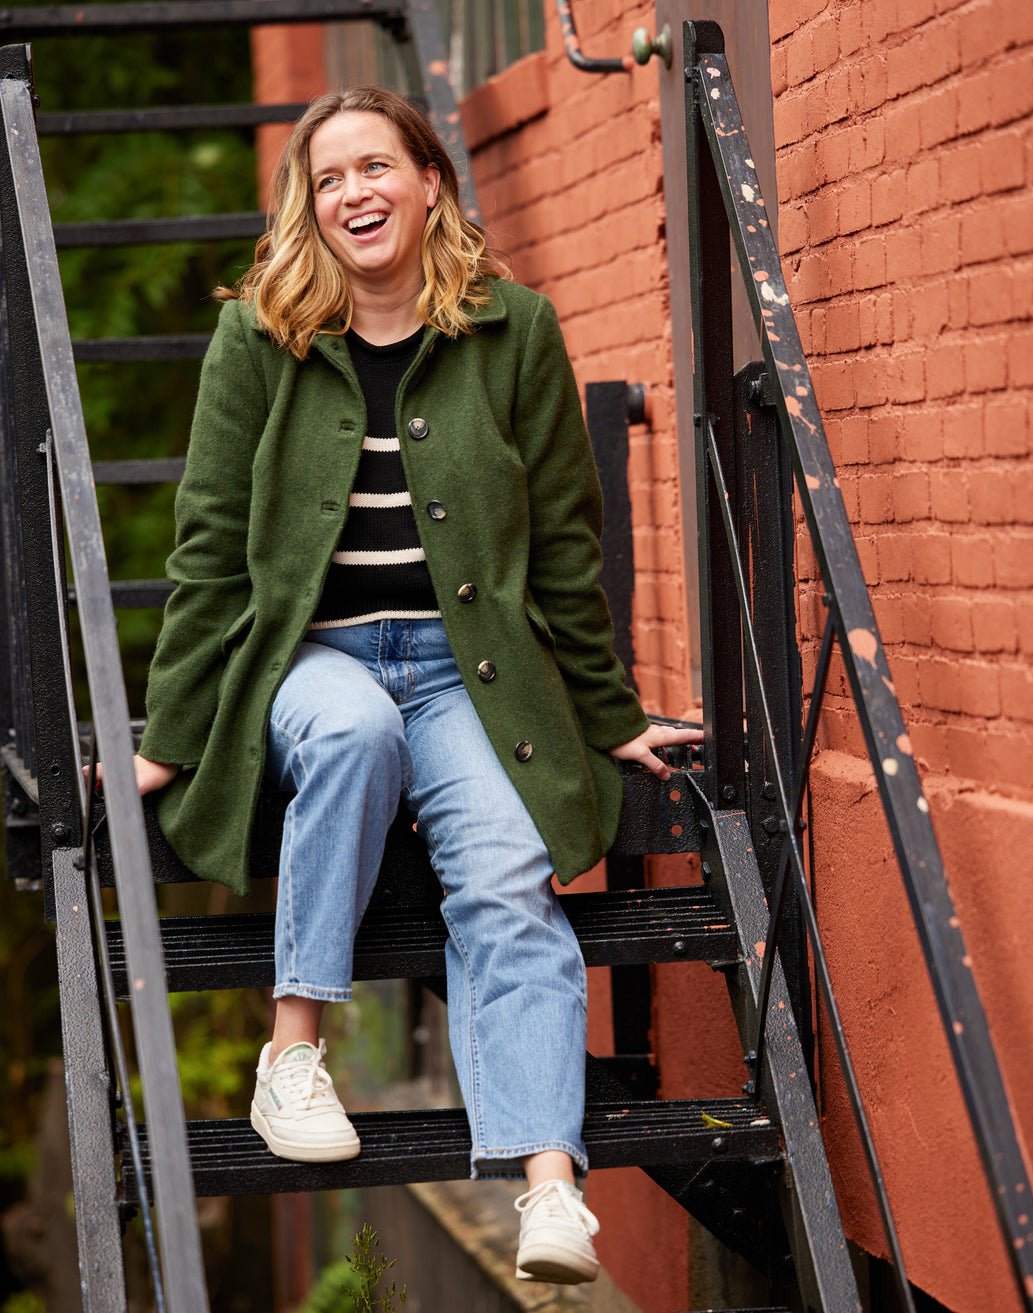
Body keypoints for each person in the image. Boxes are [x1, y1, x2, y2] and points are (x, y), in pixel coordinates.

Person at [123, 87, 700, 1285]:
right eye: (328, 179)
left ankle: (548, 1182)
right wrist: (170, 735)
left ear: (431, 180)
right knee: (353, 733)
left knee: (504, 871)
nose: (353, 195)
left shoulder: (514, 330)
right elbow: (209, 541)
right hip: (315, 661)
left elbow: (562, 547)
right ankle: (295, 1056)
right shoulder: (262, 338)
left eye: (375, 167)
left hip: (468, 674)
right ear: (308, 207)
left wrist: (608, 713)